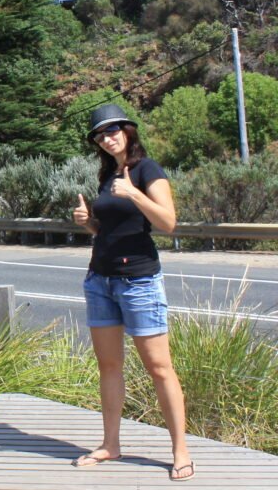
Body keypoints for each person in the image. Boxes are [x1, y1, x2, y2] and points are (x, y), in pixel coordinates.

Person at [71, 103, 194, 482]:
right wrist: (88, 222)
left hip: (138, 281)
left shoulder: (146, 169)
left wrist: (134, 194)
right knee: (109, 367)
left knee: (159, 368)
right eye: (100, 135)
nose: (107, 139)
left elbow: (168, 222)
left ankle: (181, 451)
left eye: (112, 131)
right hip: (101, 280)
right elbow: (110, 229)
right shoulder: (108, 174)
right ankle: (111, 444)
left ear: (127, 130)